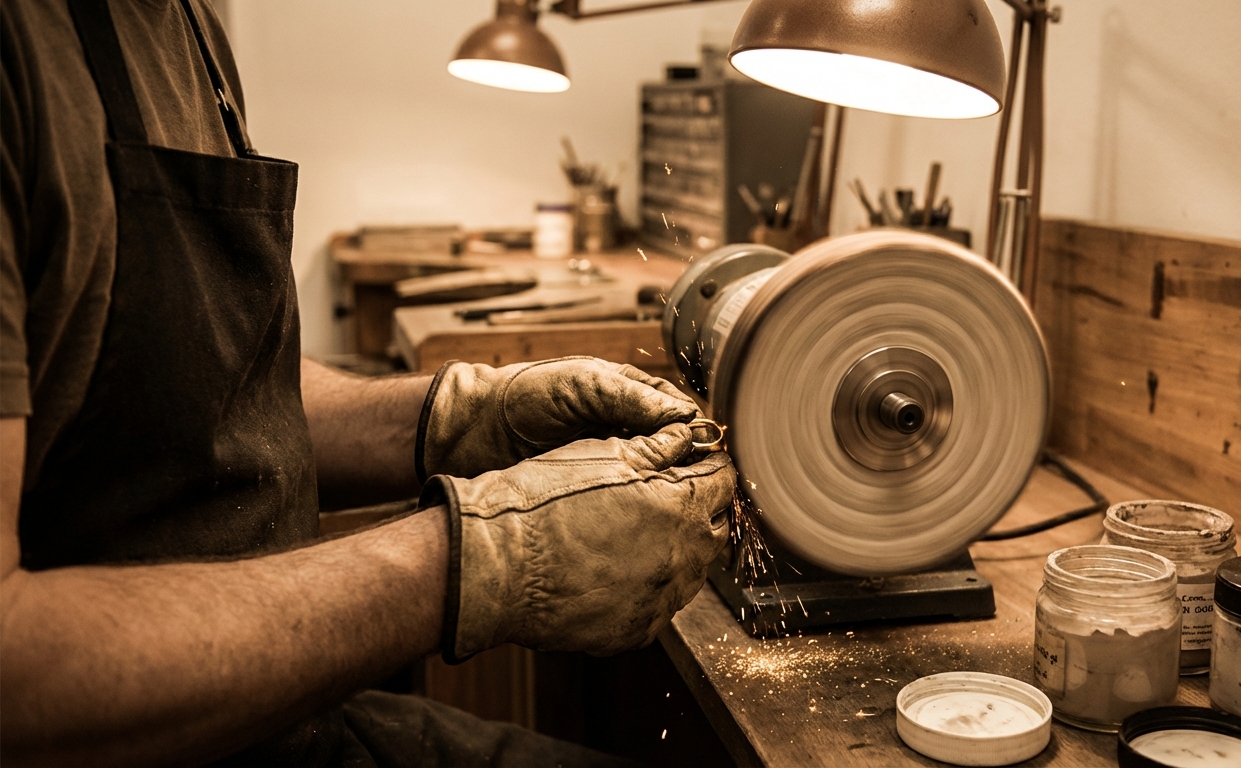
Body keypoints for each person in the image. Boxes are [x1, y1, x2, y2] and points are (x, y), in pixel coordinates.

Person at [0, 1, 737, 765]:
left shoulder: (184, 25)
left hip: (285, 720)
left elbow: (208, 401)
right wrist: (484, 561)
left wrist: (464, 415)